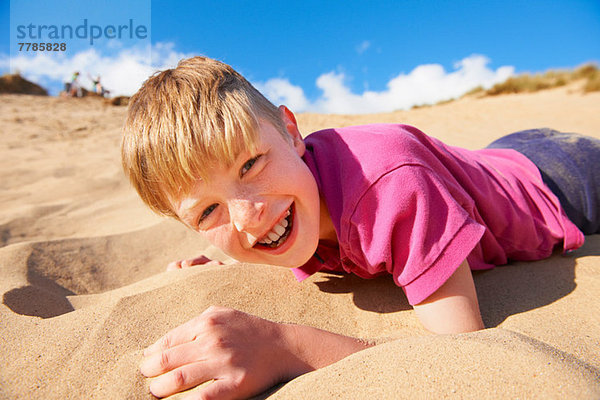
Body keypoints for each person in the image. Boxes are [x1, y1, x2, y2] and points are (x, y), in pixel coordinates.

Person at [121, 56, 599, 399]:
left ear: (291, 132)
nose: (249, 216)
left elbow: (464, 352)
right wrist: (219, 260)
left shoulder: (392, 189)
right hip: (496, 157)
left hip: (564, 179)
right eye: (207, 213)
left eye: (250, 164)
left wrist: (284, 346)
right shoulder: (284, 204)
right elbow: (257, 226)